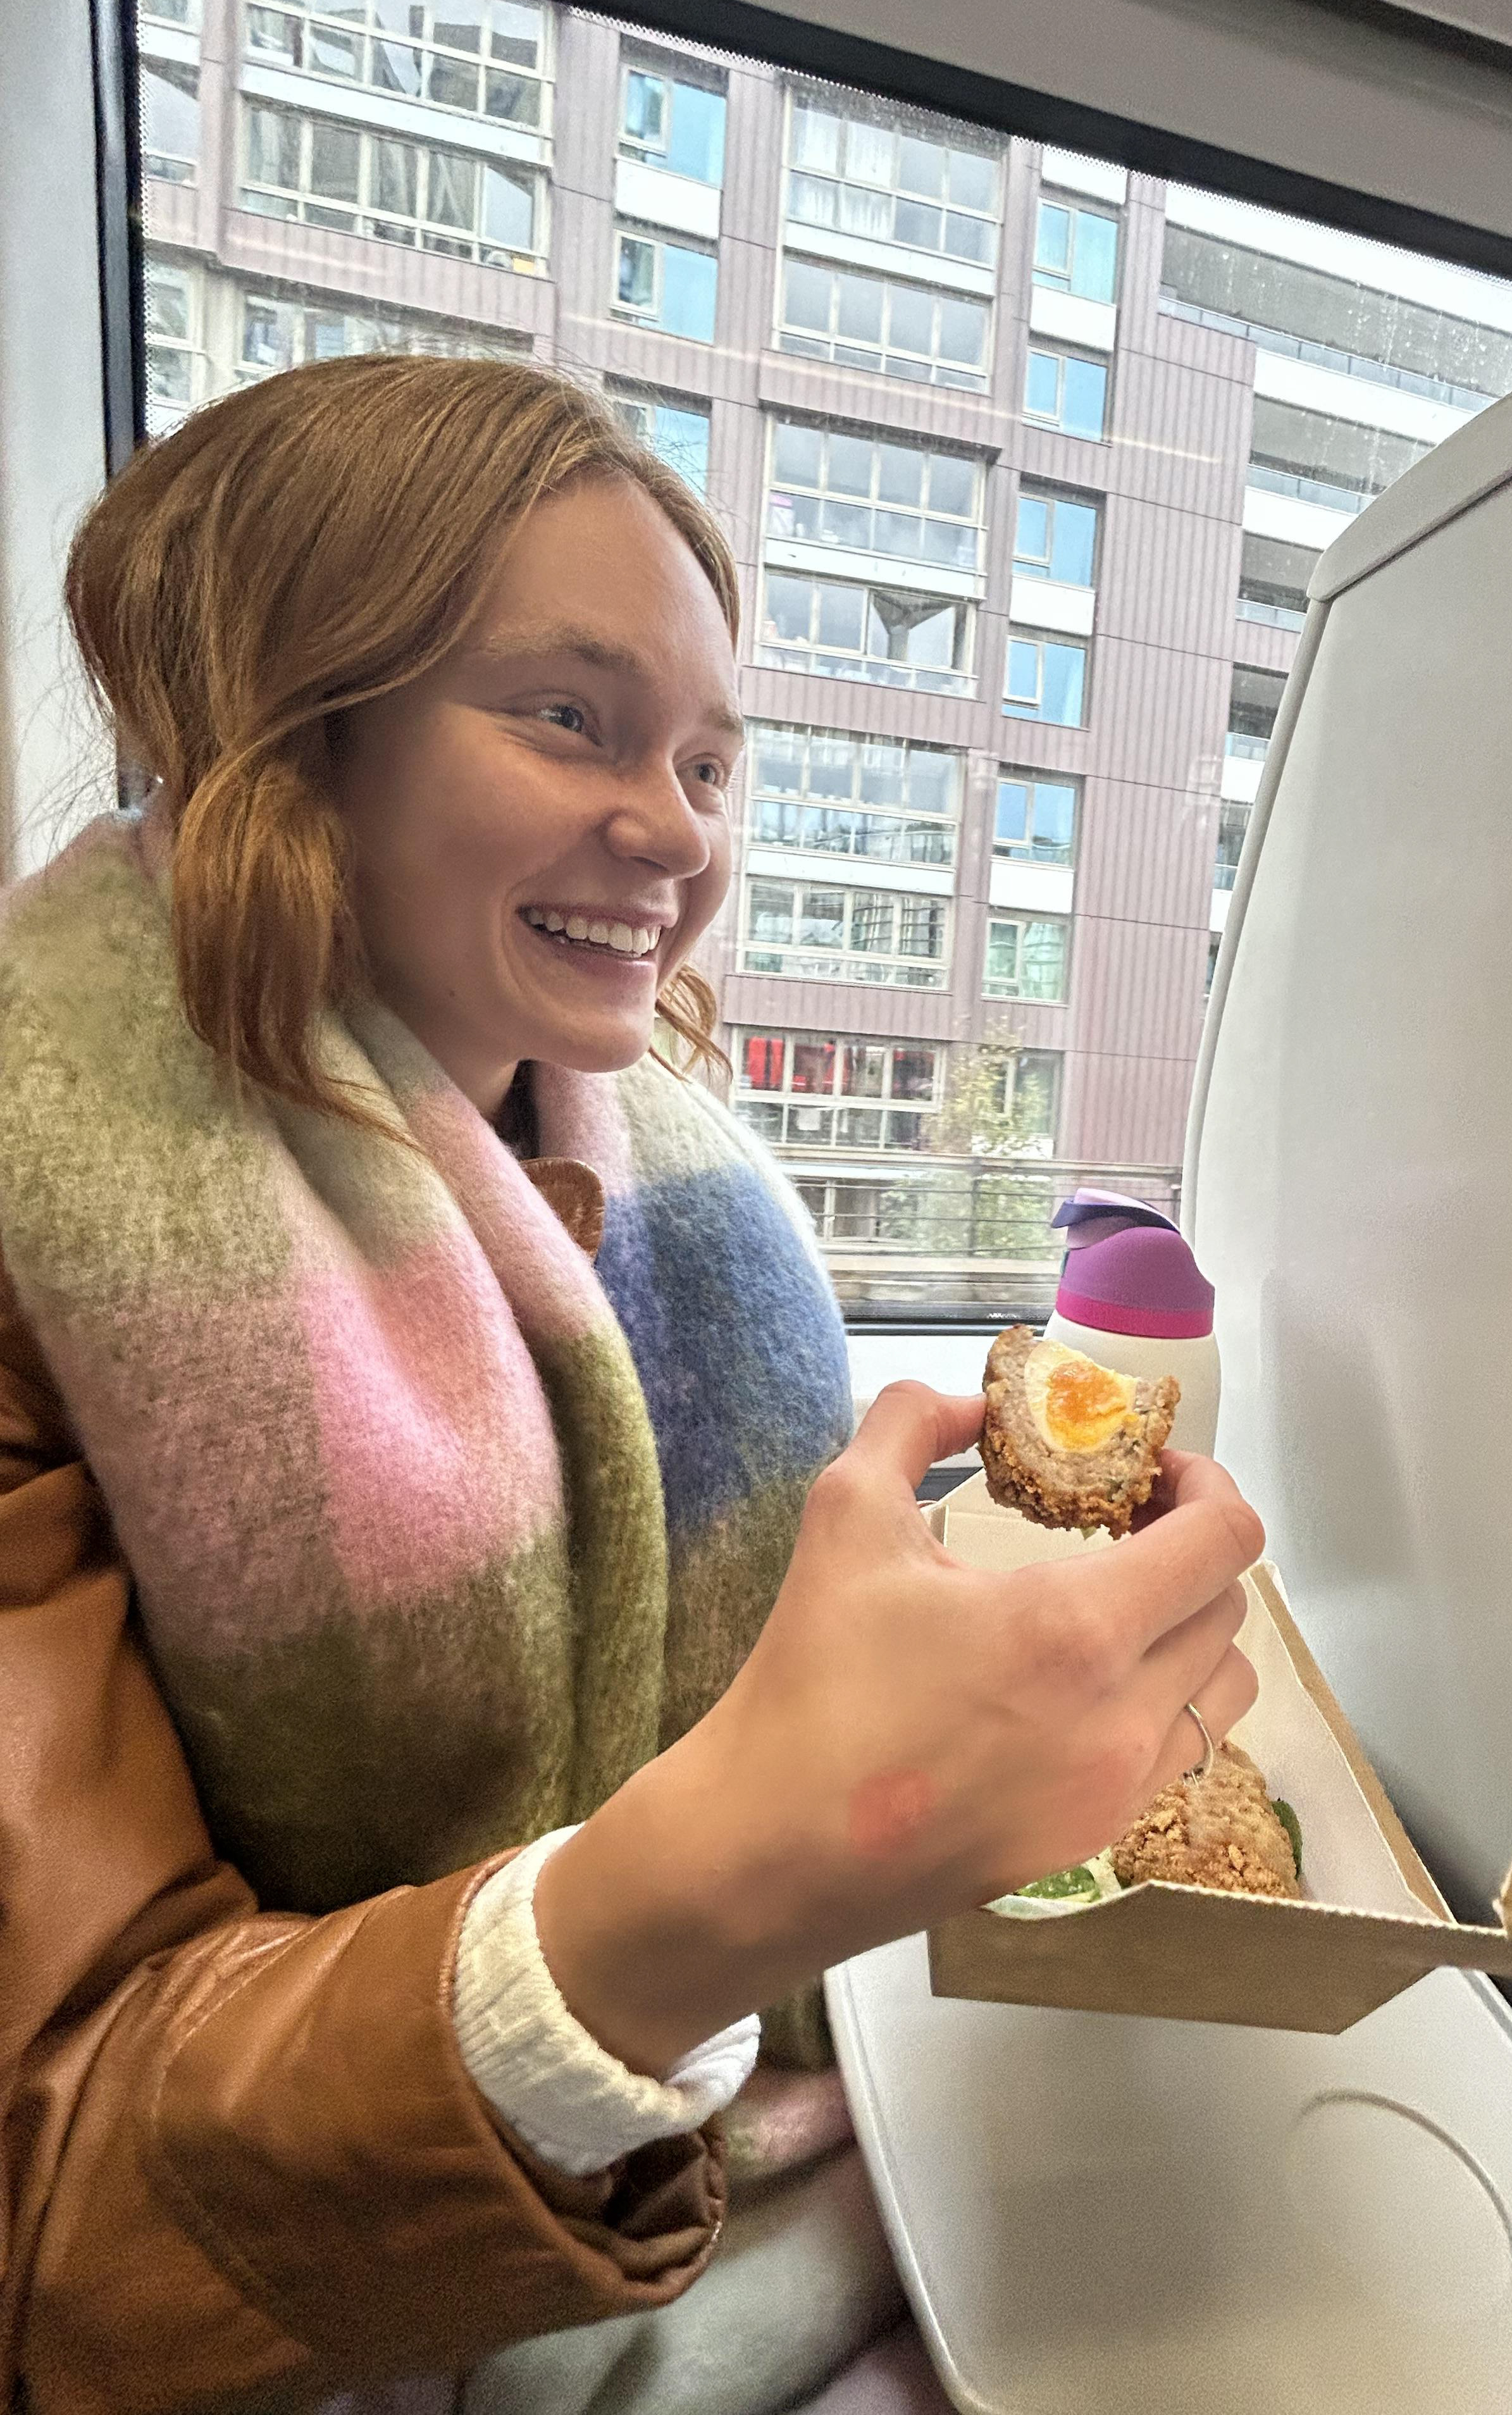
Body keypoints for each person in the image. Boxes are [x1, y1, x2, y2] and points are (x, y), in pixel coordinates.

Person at [0, 356, 1261, 2414]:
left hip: (767, 2156)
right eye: (568, 718)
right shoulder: (33, 1226)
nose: (669, 829)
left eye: (708, 760)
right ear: (291, 734)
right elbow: (53, 2211)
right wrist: (697, 1890)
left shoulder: (641, 1165)